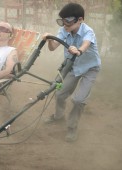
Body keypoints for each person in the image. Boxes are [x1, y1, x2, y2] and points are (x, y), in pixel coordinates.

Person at [42, 3, 101, 142]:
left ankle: (72, 127)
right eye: (62, 20)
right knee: (60, 93)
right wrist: (49, 39)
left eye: (68, 20)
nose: (64, 24)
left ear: (80, 20)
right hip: (73, 67)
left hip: (90, 68)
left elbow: (86, 44)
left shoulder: (88, 31)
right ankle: (58, 116)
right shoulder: (64, 30)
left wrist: (78, 50)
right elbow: (53, 47)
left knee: (78, 100)